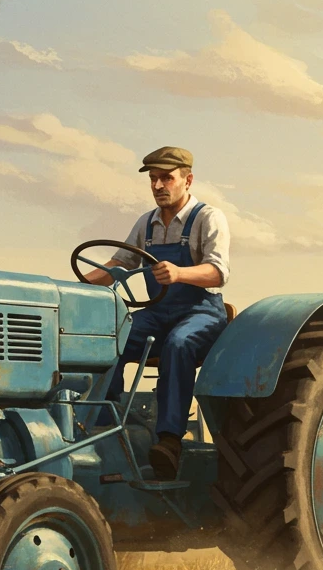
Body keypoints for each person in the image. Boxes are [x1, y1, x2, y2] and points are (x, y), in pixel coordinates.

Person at [83, 146, 231, 480]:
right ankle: (104, 424)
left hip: (201, 312)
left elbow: (218, 272)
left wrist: (179, 273)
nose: (158, 185)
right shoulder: (147, 223)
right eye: (153, 179)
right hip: (158, 312)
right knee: (110, 338)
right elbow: (120, 263)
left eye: (166, 178)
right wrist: (76, 284)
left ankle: (169, 441)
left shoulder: (208, 217)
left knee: (178, 344)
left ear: (187, 180)